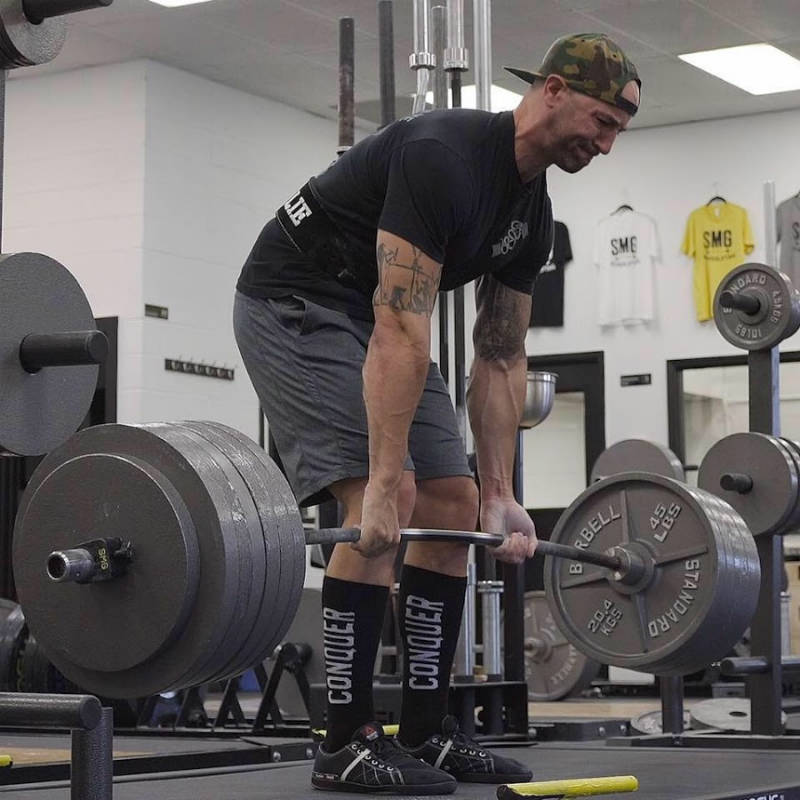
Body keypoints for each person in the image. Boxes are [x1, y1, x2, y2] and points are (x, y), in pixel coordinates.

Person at [234, 32, 640, 795]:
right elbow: (400, 323)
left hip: (378, 318)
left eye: (618, 130)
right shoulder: (442, 154)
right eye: (602, 121)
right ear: (551, 90)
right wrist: (385, 483)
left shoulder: (533, 213)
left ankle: (426, 731)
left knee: (452, 504)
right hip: (296, 300)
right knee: (381, 500)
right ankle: (345, 741)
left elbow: (499, 354)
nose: (606, 145)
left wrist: (497, 492)